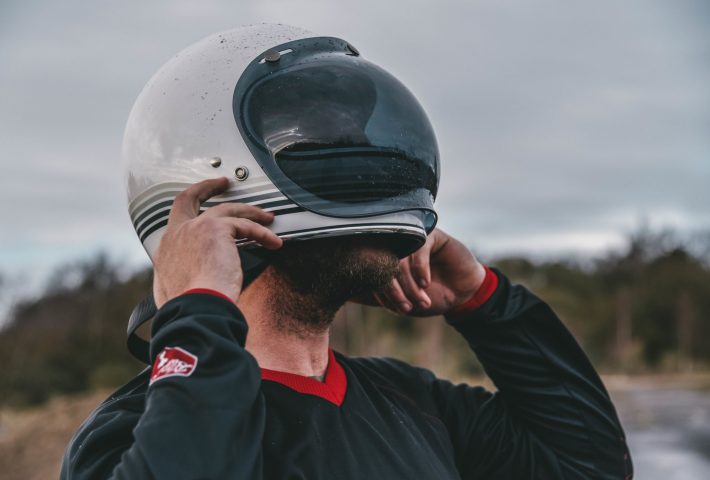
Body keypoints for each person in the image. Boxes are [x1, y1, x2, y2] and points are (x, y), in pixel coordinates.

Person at [61, 25, 633, 479]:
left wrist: (484, 300)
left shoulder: (410, 401)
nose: (364, 163)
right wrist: (197, 310)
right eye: (321, 143)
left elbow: (588, 466)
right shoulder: (126, 437)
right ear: (213, 187)